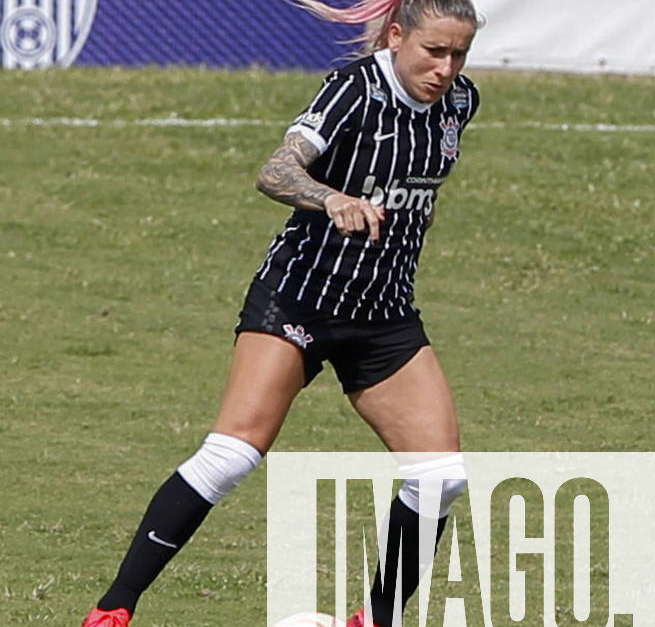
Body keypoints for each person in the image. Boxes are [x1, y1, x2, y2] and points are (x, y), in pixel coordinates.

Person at [82, 0, 481, 625]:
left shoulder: (460, 103)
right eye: (434, 51)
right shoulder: (355, 91)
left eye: (459, 54)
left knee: (440, 478)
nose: (446, 67)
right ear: (398, 36)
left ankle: (376, 619)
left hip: (383, 314)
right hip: (299, 299)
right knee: (232, 455)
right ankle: (112, 610)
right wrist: (329, 198)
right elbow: (276, 169)